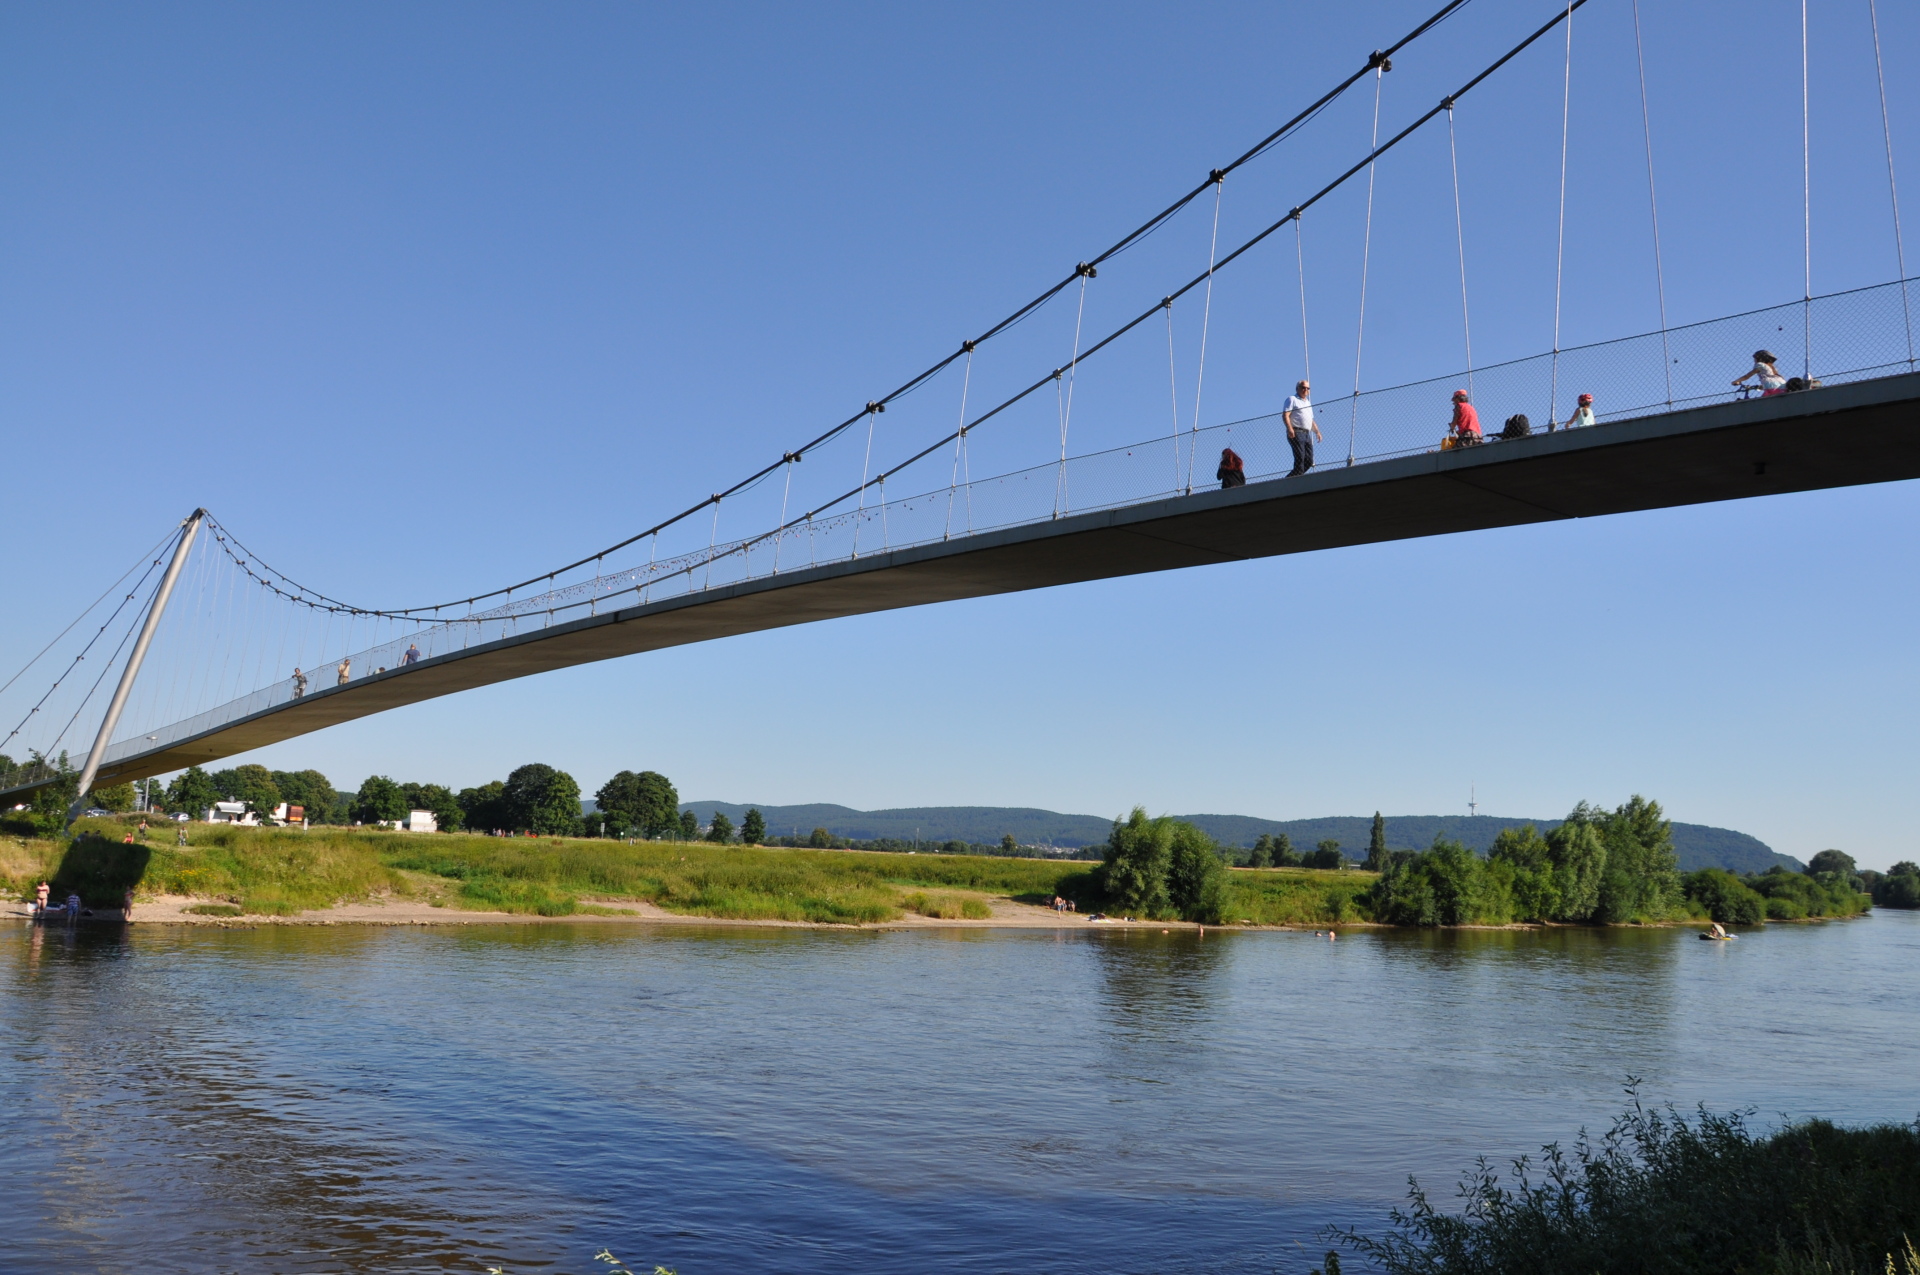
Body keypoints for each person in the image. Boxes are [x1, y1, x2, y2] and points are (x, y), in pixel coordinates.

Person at [1284, 380, 1321, 476]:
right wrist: (1290, 428)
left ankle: (1292, 478)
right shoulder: (1292, 399)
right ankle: (1296, 479)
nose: (1306, 390)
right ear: (1297, 388)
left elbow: (1310, 420)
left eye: (1308, 388)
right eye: (1303, 387)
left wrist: (1317, 432)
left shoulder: (1308, 403)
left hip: (1306, 433)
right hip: (1296, 431)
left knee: (1309, 460)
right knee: (1300, 458)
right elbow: (1285, 415)